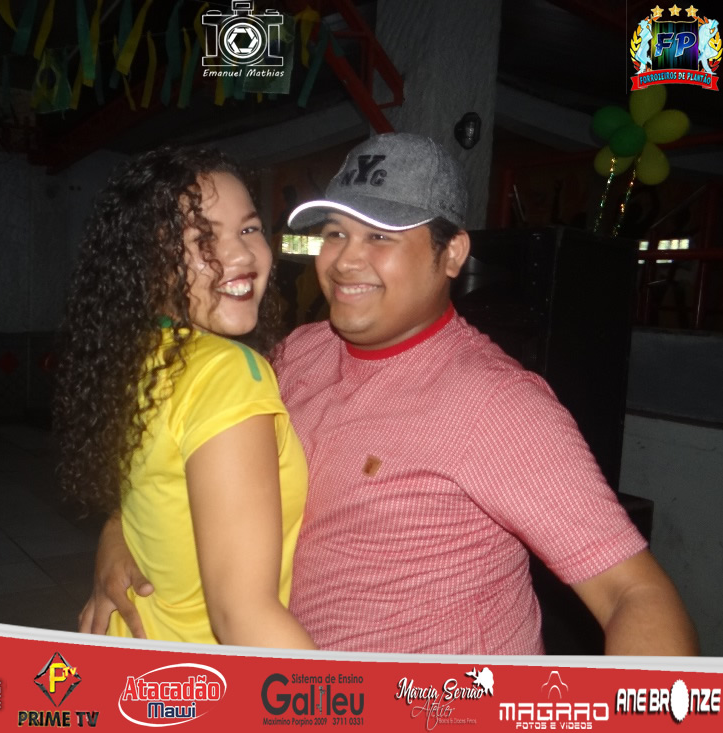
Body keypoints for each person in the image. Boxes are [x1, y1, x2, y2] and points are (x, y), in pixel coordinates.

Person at [81, 133, 698, 656]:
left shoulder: (496, 405)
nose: (345, 261)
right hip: (294, 687)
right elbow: (191, 465)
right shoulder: (295, 356)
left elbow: (634, 593)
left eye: (381, 236)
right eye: (335, 233)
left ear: (451, 254)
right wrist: (120, 534)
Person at [54, 146, 314, 649]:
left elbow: (158, 497)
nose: (241, 255)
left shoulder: (146, 356)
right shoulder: (227, 373)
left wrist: (113, 532)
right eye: (202, 238)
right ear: (148, 266)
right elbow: (242, 617)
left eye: (248, 229)